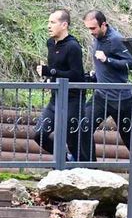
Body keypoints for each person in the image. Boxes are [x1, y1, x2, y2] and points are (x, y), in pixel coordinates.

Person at [82, 10, 132, 162]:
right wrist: (96, 75)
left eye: (93, 28)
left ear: (103, 24)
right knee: (83, 127)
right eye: (88, 28)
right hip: (101, 96)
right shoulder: (97, 38)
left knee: (129, 137)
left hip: (121, 99)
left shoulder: (116, 39)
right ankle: (89, 166)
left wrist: (108, 60)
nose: (91, 32)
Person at [33, 9, 91, 162]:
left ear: (64, 25)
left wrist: (50, 71)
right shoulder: (50, 43)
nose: (48, 26)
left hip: (72, 99)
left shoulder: (73, 46)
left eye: (53, 22)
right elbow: (57, 69)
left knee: (72, 138)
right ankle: (65, 160)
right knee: (39, 135)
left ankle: (83, 166)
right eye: (49, 22)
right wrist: (50, 79)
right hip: (56, 99)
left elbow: (76, 75)